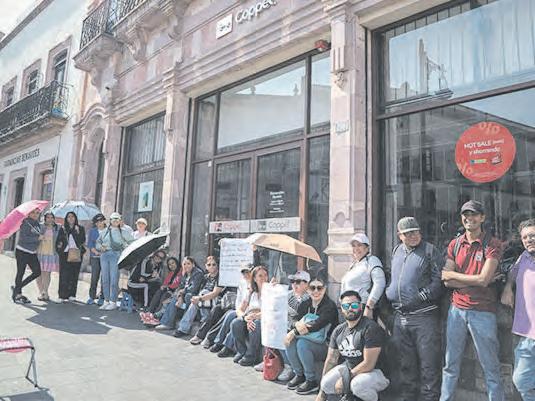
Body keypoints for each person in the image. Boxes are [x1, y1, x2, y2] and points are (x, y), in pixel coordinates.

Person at [440, 200, 505, 401]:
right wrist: (476, 280)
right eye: (466, 215)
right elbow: (445, 280)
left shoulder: (492, 244)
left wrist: (457, 277)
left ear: (482, 217)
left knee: (491, 367)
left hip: (482, 311)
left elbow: (484, 280)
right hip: (456, 310)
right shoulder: (455, 244)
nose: (470, 218)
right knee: (450, 365)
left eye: (474, 214)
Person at [385, 217, 443, 401]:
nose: (413, 236)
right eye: (408, 233)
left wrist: (420, 297)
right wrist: (389, 291)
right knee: (405, 363)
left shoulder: (430, 250)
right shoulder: (397, 251)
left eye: (416, 232)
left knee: (429, 364)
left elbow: (439, 281)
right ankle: (408, 397)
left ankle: (429, 398)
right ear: (399, 235)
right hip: (400, 316)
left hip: (424, 316)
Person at [317, 290, 390, 401]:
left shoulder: (370, 328)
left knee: (357, 385)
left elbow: (369, 364)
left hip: (376, 372)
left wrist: (345, 379)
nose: (350, 309)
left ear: (360, 306)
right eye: (346, 306)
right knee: (326, 384)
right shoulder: (338, 330)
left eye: (354, 305)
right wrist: (322, 392)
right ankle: (350, 397)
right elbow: (331, 360)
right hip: (350, 369)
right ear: (341, 309)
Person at [284, 274, 338, 395]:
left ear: (325, 289)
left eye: (319, 288)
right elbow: (293, 318)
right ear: (308, 289)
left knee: (302, 344)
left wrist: (294, 332)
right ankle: (299, 375)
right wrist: (296, 324)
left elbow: (316, 325)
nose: (316, 291)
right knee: (289, 341)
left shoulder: (329, 306)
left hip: (326, 345)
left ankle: (311, 380)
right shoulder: (306, 303)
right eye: (312, 288)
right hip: (309, 338)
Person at [501, 218, 535, 401]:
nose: (529, 240)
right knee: (521, 379)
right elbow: (513, 273)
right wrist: (508, 288)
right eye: (525, 237)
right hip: (527, 334)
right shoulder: (524, 257)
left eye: (533, 235)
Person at [174, 256, 223, 337]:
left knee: (203, 293)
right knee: (194, 301)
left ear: (217, 265)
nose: (211, 266)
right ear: (206, 266)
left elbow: (215, 293)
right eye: (209, 265)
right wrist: (196, 298)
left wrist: (200, 298)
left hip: (215, 301)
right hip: (204, 301)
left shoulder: (220, 277)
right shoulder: (206, 277)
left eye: (214, 264)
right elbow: (195, 290)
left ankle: (204, 320)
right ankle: (183, 329)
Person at [230, 265, 269, 367]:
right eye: (260, 276)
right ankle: (241, 352)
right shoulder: (251, 292)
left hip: (264, 318)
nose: (264, 278)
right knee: (236, 323)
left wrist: (254, 317)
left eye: (265, 275)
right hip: (250, 317)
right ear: (254, 278)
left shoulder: (271, 292)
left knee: (256, 324)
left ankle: (251, 356)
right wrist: (245, 318)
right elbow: (240, 309)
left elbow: (271, 310)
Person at [276, 270, 311, 382]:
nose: (295, 284)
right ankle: (283, 363)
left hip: (303, 330)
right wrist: (273, 288)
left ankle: (294, 369)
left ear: (307, 284)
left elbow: (303, 320)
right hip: (288, 326)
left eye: (298, 282)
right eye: (292, 281)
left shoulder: (310, 298)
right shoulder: (288, 295)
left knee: (287, 338)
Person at [341, 233, 386, 319]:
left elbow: (379, 283)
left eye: (359, 245)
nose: (356, 248)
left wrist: (369, 307)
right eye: (353, 246)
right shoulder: (354, 264)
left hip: (362, 308)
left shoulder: (372, 261)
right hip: (349, 309)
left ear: (367, 248)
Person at [211, 264, 252, 355]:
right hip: (241, 309)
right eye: (244, 272)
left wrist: (242, 313)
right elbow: (239, 299)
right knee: (229, 315)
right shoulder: (242, 283)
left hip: (249, 311)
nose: (246, 274)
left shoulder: (255, 284)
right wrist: (239, 311)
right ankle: (218, 342)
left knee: (235, 322)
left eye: (248, 272)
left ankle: (227, 346)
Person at [96, 212, 134, 311]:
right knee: (105, 279)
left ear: (120, 221)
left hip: (116, 255)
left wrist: (124, 248)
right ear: (110, 220)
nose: (116, 221)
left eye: (118, 219)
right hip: (104, 255)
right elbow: (98, 242)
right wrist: (100, 247)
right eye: (114, 219)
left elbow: (132, 242)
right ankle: (106, 301)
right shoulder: (104, 231)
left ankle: (113, 301)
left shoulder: (123, 232)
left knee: (114, 279)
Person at [154, 256, 204, 330]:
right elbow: (180, 286)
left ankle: (164, 317)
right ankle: (166, 322)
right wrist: (180, 296)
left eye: (188, 263)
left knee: (186, 296)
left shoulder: (198, 273)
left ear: (193, 264)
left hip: (196, 296)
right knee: (174, 298)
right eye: (184, 264)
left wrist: (181, 292)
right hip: (185, 294)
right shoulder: (185, 273)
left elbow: (193, 289)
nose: (186, 266)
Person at [12, 208, 42, 304]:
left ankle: (17, 288)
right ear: (29, 213)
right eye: (33, 212)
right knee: (20, 272)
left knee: (37, 272)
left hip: (32, 253)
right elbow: (24, 238)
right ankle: (17, 295)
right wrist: (37, 238)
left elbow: (37, 238)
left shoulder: (37, 224)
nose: (35, 214)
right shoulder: (25, 223)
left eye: (37, 213)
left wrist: (39, 240)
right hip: (22, 251)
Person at [56, 211, 86, 302]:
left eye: (72, 216)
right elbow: (58, 241)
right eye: (69, 217)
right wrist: (60, 250)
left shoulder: (80, 228)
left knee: (74, 274)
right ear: (66, 219)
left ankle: (72, 294)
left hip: (76, 253)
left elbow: (82, 240)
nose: (71, 218)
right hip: (65, 254)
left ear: (75, 218)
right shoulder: (63, 228)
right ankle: (62, 295)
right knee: (64, 275)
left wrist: (77, 232)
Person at [35, 211, 60, 301]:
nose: (50, 219)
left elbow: (61, 238)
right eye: (48, 217)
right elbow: (34, 237)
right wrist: (39, 237)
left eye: (51, 217)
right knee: (38, 274)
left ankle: (45, 292)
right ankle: (41, 292)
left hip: (51, 253)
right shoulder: (40, 226)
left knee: (47, 274)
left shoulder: (57, 228)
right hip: (40, 253)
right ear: (45, 218)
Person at [86, 213, 106, 305]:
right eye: (97, 222)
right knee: (94, 277)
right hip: (95, 257)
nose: (99, 223)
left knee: (104, 278)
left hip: (105, 257)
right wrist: (96, 252)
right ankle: (91, 296)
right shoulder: (92, 231)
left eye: (101, 221)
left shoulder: (108, 231)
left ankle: (102, 297)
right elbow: (90, 244)